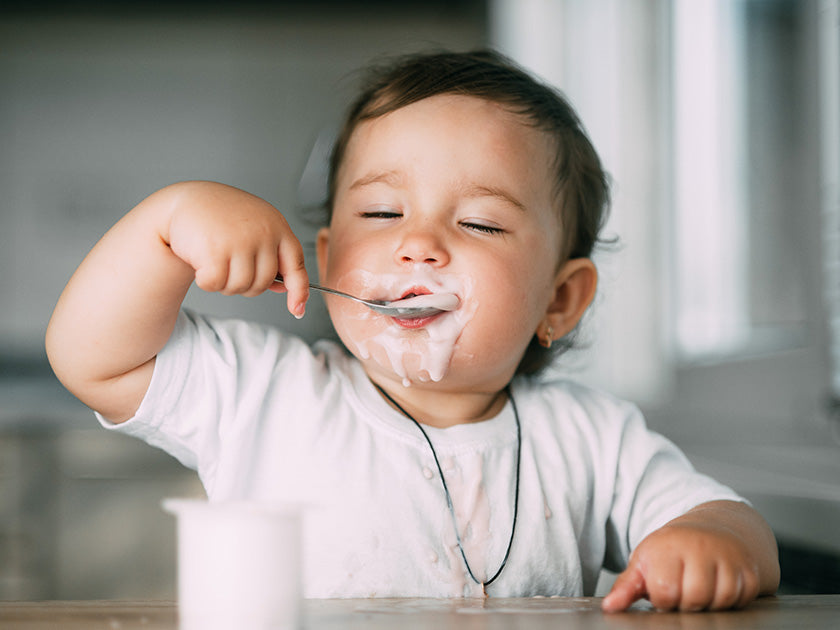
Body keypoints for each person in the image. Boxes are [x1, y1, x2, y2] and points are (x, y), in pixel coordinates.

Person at [45, 50, 779, 611]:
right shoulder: (263, 391)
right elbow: (93, 360)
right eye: (382, 214)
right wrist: (167, 224)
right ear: (326, 257)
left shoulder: (594, 440)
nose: (419, 244)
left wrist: (712, 543)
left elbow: (729, 522)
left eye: (480, 223)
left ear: (560, 300)